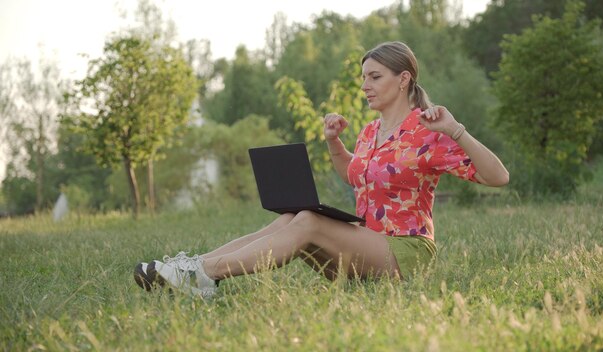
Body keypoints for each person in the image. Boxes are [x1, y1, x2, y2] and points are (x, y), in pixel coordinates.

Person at [134, 41, 509, 298]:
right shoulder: (371, 131)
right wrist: (334, 143)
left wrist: (455, 130)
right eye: (363, 77)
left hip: (404, 253)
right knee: (293, 216)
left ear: (404, 78)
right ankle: (194, 267)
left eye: (374, 77)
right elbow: (356, 175)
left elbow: (498, 177)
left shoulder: (427, 130)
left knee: (310, 222)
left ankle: (201, 274)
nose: (365, 86)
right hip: (363, 246)